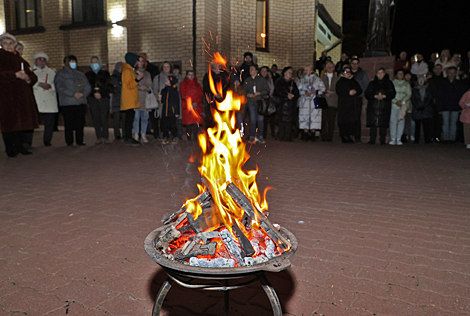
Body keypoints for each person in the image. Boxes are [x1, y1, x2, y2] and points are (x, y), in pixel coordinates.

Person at [0, 33, 39, 157]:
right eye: (5, 43)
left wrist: (28, 78)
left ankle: (20, 146)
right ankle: (10, 149)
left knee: (21, 123)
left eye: (11, 43)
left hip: (22, 96)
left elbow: (32, 76)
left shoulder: (19, 58)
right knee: (9, 123)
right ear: (1, 45)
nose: (8, 46)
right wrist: (15, 75)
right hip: (7, 96)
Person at [55, 55, 91, 146]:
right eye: (71, 62)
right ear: (66, 63)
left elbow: (87, 86)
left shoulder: (80, 74)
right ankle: (69, 141)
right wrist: (73, 94)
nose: (73, 63)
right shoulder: (60, 74)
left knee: (80, 123)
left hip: (80, 102)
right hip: (68, 103)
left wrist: (83, 94)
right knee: (69, 123)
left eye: (74, 61)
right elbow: (59, 87)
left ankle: (80, 140)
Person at [85, 56, 113, 145]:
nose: (94, 64)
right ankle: (99, 137)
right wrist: (93, 93)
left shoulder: (105, 74)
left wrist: (101, 93)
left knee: (104, 117)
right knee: (95, 118)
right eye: (92, 62)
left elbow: (110, 86)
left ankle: (106, 136)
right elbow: (86, 87)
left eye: (96, 62)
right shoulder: (88, 75)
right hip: (92, 99)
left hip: (104, 98)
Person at [365, 68, 396, 145]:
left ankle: (382, 139)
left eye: (381, 73)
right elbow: (367, 94)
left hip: (384, 106)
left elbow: (392, 93)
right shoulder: (372, 83)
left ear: (384, 73)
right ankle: (372, 139)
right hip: (373, 106)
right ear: (376, 74)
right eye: (378, 73)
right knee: (373, 124)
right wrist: (374, 96)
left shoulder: (389, 83)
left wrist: (385, 96)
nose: (380, 74)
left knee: (383, 123)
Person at [32, 53, 58, 147]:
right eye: (39, 60)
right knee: (31, 122)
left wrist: (50, 86)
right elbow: (28, 83)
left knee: (49, 122)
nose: (41, 62)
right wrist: (39, 84)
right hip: (36, 99)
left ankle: (47, 140)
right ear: (35, 61)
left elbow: (58, 85)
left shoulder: (52, 72)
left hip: (49, 99)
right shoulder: (32, 72)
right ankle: (27, 142)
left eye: (44, 60)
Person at [436, 67, 465, 144]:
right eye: (450, 73)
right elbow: (439, 96)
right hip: (445, 106)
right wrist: (440, 108)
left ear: (456, 73)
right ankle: (446, 139)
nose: (452, 74)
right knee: (445, 123)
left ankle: (452, 139)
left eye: (453, 73)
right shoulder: (443, 83)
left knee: (453, 124)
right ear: (447, 73)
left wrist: (460, 107)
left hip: (455, 106)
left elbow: (461, 96)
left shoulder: (459, 83)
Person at [297, 65, 325, 142]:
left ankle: (313, 133)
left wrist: (315, 91)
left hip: (314, 101)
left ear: (311, 71)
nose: (305, 71)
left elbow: (323, 88)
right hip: (304, 102)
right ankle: (305, 134)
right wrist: (305, 92)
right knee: (304, 117)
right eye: (305, 70)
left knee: (314, 117)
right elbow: (298, 89)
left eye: (307, 70)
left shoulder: (317, 79)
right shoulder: (301, 80)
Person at [121, 52, 143, 146]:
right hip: (129, 100)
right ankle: (128, 137)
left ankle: (127, 137)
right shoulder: (127, 70)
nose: (137, 62)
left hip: (129, 99)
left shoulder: (129, 69)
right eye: (136, 60)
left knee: (129, 119)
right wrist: (138, 79)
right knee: (129, 120)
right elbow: (130, 85)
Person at [243, 65, 270, 144]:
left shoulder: (262, 80)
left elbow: (267, 90)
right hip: (251, 101)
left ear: (256, 71)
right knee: (252, 119)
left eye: (252, 69)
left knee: (260, 119)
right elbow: (244, 91)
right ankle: (252, 136)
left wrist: (260, 93)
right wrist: (248, 94)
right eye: (250, 69)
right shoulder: (247, 80)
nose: (250, 70)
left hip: (260, 101)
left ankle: (260, 136)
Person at [335, 66, 362, 143]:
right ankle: (344, 136)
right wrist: (348, 93)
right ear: (343, 73)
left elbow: (359, 90)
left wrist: (355, 91)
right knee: (344, 121)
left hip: (352, 105)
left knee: (351, 121)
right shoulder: (340, 82)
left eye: (349, 72)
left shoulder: (354, 81)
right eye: (346, 72)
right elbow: (339, 91)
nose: (348, 74)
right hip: (343, 105)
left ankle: (350, 136)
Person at [273, 67, 300, 142]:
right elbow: (277, 92)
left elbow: (297, 93)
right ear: (284, 73)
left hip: (290, 105)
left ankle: (288, 136)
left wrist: (293, 95)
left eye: (291, 73)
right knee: (281, 121)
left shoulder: (293, 83)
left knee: (289, 122)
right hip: (282, 104)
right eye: (289, 72)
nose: (290, 74)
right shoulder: (279, 82)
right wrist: (286, 95)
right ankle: (281, 136)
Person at [202, 60, 230, 129]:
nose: (219, 66)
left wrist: (222, 94)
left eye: (220, 64)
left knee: (223, 116)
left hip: (223, 99)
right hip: (212, 99)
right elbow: (206, 87)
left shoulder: (224, 74)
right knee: (211, 116)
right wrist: (213, 94)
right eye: (217, 64)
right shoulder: (208, 75)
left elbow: (227, 85)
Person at [132, 56, 152, 143]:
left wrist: (146, 88)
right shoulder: (133, 72)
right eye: (139, 61)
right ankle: (136, 134)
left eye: (142, 61)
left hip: (145, 99)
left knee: (144, 118)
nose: (140, 63)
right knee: (136, 118)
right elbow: (132, 85)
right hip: (136, 98)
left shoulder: (147, 74)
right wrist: (140, 87)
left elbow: (150, 85)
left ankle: (143, 135)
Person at [389, 69, 412, 145]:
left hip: (403, 105)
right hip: (394, 105)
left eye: (402, 74)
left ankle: (398, 138)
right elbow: (390, 93)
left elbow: (409, 94)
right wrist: (395, 101)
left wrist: (402, 101)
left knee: (401, 121)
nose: (400, 75)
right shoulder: (392, 83)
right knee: (393, 121)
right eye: (399, 74)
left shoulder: (406, 84)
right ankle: (393, 138)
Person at [151, 61, 173, 139]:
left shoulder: (173, 77)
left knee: (171, 119)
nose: (166, 68)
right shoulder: (158, 78)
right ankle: (164, 134)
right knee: (163, 118)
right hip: (162, 102)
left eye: (167, 66)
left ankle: (171, 134)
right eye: (164, 67)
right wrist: (158, 97)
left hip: (171, 102)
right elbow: (155, 89)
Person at [180, 70, 203, 141]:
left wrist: (196, 102)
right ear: (186, 75)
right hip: (187, 106)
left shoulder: (197, 84)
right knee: (188, 123)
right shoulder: (183, 84)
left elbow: (200, 94)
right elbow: (183, 95)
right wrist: (190, 103)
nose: (191, 76)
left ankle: (195, 136)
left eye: (192, 74)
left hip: (196, 106)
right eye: (189, 74)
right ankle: (189, 137)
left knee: (196, 122)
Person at [350, 57, 370, 142]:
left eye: (356, 63)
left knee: (357, 118)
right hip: (348, 99)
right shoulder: (347, 72)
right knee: (348, 117)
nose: (355, 65)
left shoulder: (362, 74)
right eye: (353, 63)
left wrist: (360, 94)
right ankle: (349, 136)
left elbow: (366, 85)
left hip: (358, 98)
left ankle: (357, 137)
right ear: (351, 64)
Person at [321, 61, 340, 142]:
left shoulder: (337, 79)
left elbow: (339, 90)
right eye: (329, 67)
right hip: (324, 101)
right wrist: (325, 93)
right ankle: (324, 136)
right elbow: (319, 89)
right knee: (324, 120)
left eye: (332, 67)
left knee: (331, 120)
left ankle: (330, 136)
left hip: (333, 101)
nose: (330, 69)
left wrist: (333, 92)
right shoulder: (321, 79)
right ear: (326, 68)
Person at [411, 76, 433, 144]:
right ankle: (416, 139)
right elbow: (413, 99)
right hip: (417, 110)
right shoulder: (415, 90)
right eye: (419, 80)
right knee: (417, 126)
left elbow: (429, 98)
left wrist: (424, 106)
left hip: (426, 109)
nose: (421, 82)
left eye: (422, 80)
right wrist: (417, 106)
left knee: (426, 125)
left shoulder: (428, 89)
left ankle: (427, 139)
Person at [428, 64, 445, 143]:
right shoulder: (430, 81)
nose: (437, 70)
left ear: (441, 70)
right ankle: (431, 136)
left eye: (439, 68)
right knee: (431, 121)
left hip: (440, 104)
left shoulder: (444, 81)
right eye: (436, 68)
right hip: (431, 103)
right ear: (434, 70)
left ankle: (437, 136)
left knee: (439, 121)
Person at [160, 75, 180, 143]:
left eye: (167, 80)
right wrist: (160, 99)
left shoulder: (174, 91)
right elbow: (162, 100)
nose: (166, 81)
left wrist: (177, 112)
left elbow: (177, 102)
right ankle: (166, 136)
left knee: (172, 124)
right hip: (165, 111)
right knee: (164, 124)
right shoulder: (164, 90)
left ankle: (175, 136)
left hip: (172, 111)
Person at [260, 66, 276, 140]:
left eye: (265, 71)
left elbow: (272, 89)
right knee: (263, 119)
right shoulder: (258, 79)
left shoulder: (270, 80)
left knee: (271, 117)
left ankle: (272, 133)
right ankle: (263, 133)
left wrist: (268, 95)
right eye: (262, 71)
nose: (264, 73)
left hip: (268, 100)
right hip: (261, 100)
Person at [110, 62, 123, 140]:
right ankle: (117, 134)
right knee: (117, 119)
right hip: (116, 101)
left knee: (124, 119)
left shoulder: (125, 76)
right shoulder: (113, 78)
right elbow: (116, 88)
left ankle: (124, 134)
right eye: (120, 67)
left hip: (124, 101)